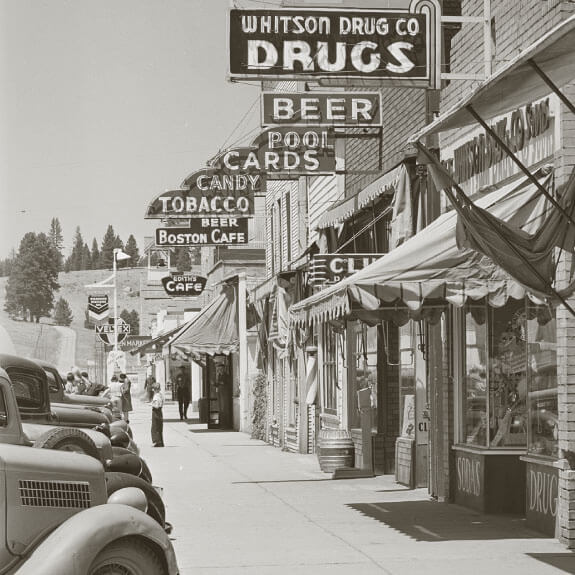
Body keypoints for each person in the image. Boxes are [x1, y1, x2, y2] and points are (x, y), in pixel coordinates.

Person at [150, 380, 164, 447]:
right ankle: (160, 441)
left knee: (155, 427)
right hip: (160, 411)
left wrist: (152, 404)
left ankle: (156, 441)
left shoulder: (156, 396)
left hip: (156, 411)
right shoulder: (160, 395)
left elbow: (156, 405)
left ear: (154, 389)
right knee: (159, 427)